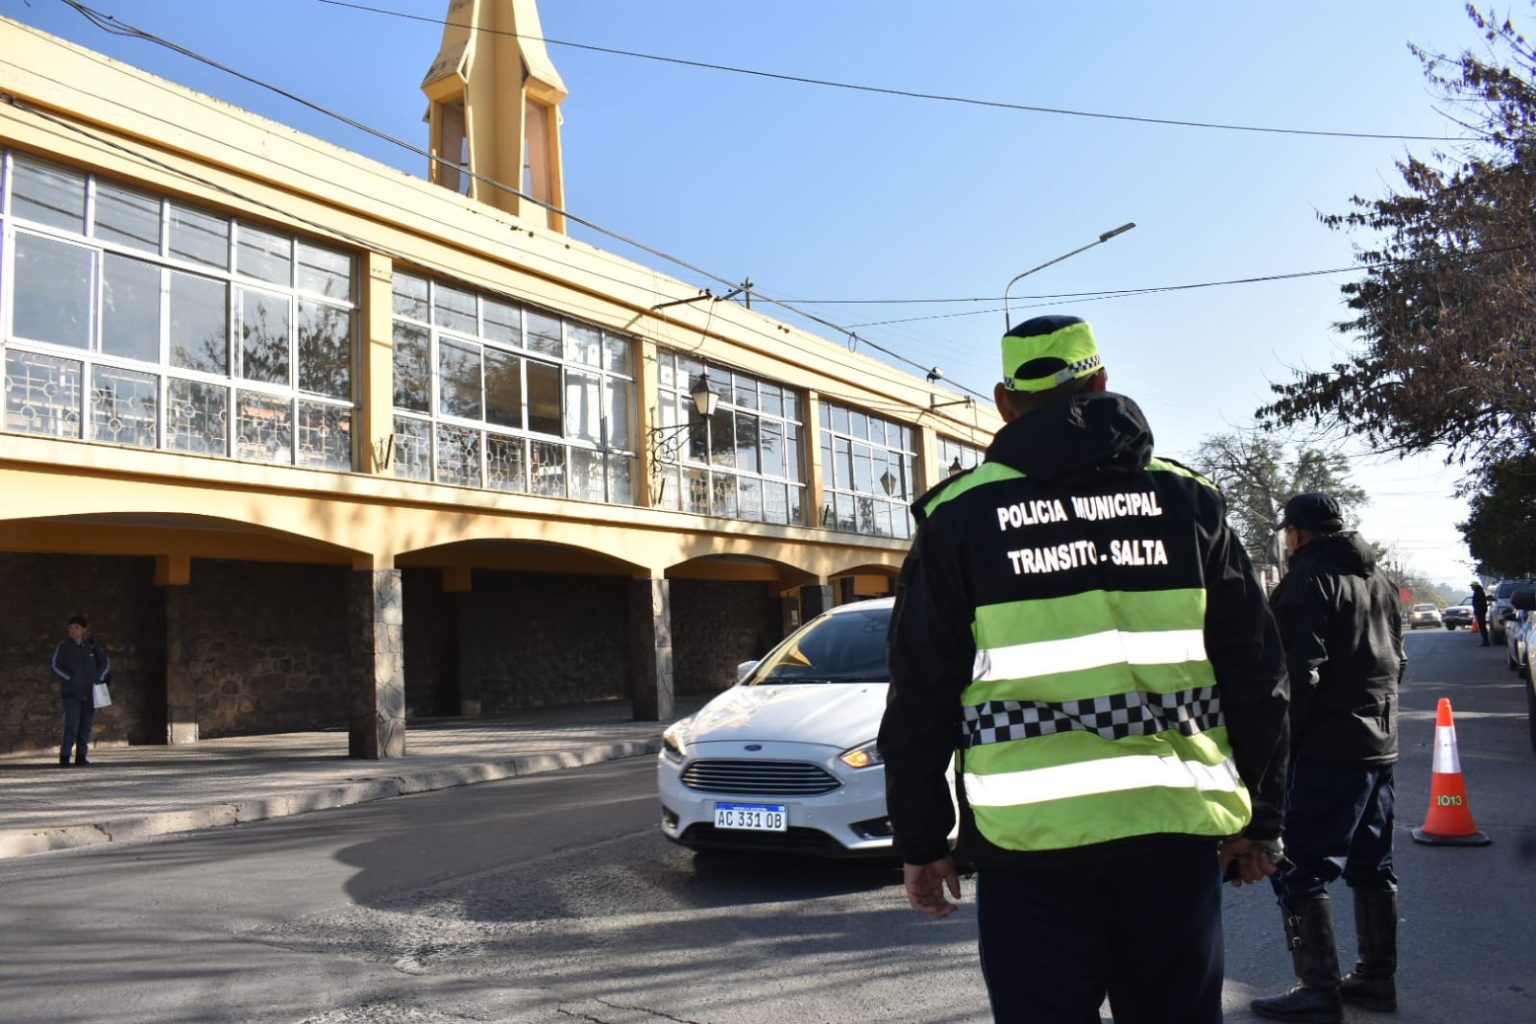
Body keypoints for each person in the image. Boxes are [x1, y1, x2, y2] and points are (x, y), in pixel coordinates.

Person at [878, 314, 1292, 1024]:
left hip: (1029, 847)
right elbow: (1257, 672)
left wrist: (922, 840)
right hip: (1174, 834)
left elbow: (921, 689)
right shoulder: (1188, 503)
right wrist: (1263, 816)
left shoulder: (962, 516)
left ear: (1004, 402)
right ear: (1101, 382)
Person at [1251, 492, 1407, 1023]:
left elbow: (1296, 675)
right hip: (1378, 744)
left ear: (1297, 533)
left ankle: (1318, 988)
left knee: (1297, 868)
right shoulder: (1380, 580)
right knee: (1372, 865)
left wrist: (1280, 749)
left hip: (1326, 749)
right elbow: (1398, 660)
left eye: (1288, 533)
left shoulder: (1308, 579)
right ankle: (1375, 979)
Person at [51, 613, 110, 767]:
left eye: (76, 627)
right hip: (71, 693)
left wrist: (98, 678)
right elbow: (55, 666)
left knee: (86, 725)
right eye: (70, 628)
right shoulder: (63, 646)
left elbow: (104, 663)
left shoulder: (93, 646)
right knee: (71, 724)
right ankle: (65, 756)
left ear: (84, 629)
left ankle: (81, 755)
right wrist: (69, 678)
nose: (72, 630)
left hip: (90, 692)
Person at [1470, 581, 1490, 646]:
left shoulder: (1478, 593)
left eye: (1472, 586)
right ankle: (1485, 641)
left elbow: (1479, 603)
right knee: (1482, 626)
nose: (1471, 587)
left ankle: (1485, 642)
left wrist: (1478, 611)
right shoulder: (1478, 592)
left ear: (1475, 586)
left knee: (1482, 627)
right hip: (1480, 611)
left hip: (1480, 612)